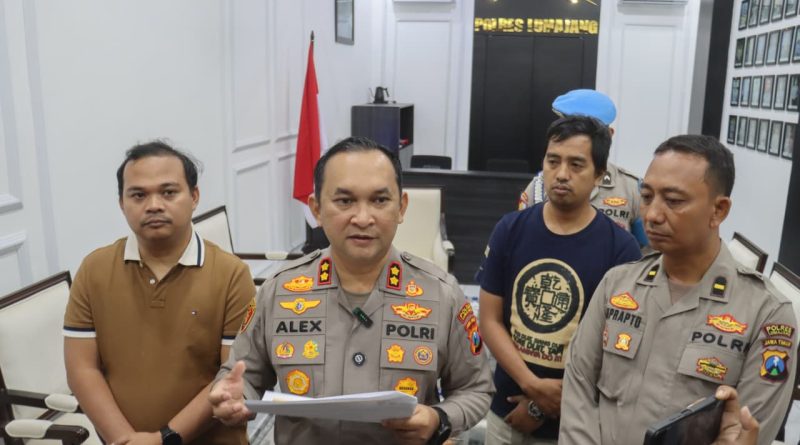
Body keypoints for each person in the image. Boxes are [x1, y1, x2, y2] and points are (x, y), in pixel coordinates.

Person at [209, 136, 494, 444]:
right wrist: (232, 395)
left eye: (379, 200)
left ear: (401, 207)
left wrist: (439, 419)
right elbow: (242, 377)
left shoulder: (441, 294)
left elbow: (475, 388)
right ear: (317, 209)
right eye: (345, 201)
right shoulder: (279, 290)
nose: (362, 218)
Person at [560, 135, 796, 445]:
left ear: (718, 210)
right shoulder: (617, 284)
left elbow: (748, 429)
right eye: (646, 196)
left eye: (673, 201)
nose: (652, 215)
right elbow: (578, 387)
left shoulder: (766, 313)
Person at [63, 141, 255, 445]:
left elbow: (229, 376)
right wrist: (125, 439)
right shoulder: (94, 270)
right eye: (138, 195)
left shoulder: (231, 274)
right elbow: (82, 369)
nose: (153, 205)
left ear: (194, 197)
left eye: (168, 192)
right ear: (121, 203)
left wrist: (165, 439)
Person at [477, 116, 642, 444]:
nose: (562, 174)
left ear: (599, 175)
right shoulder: (510, 229)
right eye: (553, 161)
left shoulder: (622, 249)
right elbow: (489, 319)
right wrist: (532, 386)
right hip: (506, 413)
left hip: (574, 423)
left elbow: (616, 349)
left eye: (576, 165)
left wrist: (540, 407)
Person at [517, 89, 648, 247]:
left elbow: (648, 251)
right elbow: (521, 241)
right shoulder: (539, 187)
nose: (574, 135)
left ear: (609, 135)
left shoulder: (631, 189)